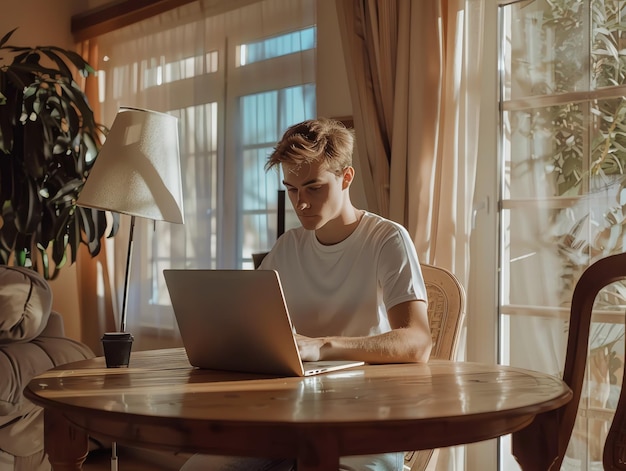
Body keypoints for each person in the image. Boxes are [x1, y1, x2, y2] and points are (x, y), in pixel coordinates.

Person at [181, 117, 432, 471]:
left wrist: (322, 345)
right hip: (286, 415)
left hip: (363, 417)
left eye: (313, 187)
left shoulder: (386, 239)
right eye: (292, 189)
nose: (300, 204)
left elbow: (417, 342)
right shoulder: (287, 248)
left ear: (346, 178)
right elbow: (255, 329)